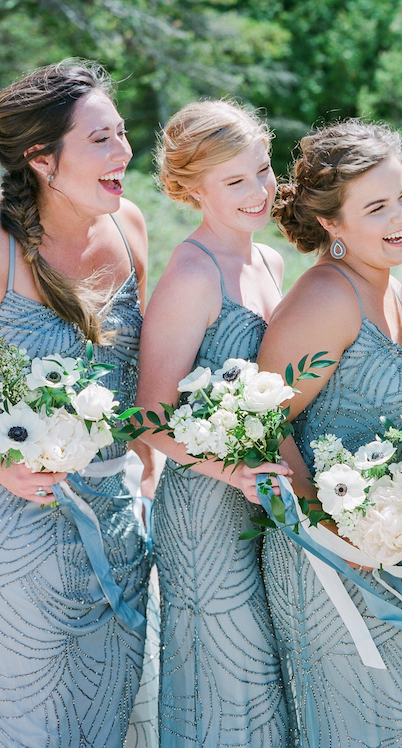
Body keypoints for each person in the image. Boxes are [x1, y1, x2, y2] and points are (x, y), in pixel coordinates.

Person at [257, 120, 402, 747]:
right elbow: (261, 423)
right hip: (328, 562)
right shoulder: (327, 298)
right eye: (376, 207)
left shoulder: (388, 285)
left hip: (387, 554)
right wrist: (330, 530)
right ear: (333, 225)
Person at [0, 60, 152, 746]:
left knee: (110, 719)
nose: (123, 152)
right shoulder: (2, 250)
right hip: (20, 533)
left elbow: (146, 374)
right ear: (41, 158)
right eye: (100, 140)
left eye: (121, 134)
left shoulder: (132, 228)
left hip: (120, 525)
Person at [136, 100, 290, 746]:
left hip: (258, 500)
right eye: (236, 182)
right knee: (226, 678)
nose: (259, 192)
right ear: (191, 188)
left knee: (268, 677)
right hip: (204, 507)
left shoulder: (272, 263)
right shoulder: (191, 274)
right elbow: (148, 417)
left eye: (263, 170)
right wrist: (234, 474)